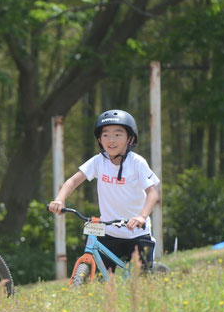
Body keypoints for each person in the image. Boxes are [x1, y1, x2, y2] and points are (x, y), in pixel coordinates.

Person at [48, 109, 160, 269]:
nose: (111, 140)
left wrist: (142, 217)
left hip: (137, 232)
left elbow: (152, 193)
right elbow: (72, 181)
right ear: (99, 139)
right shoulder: (98, 162)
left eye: (118, 134)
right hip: (108, 232)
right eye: (105, 135)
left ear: (131, 138)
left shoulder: (137, 163)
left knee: (142, 278)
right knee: (102, 277)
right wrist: (59, 199)